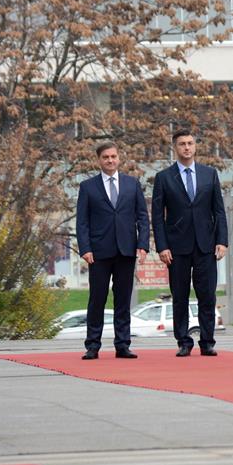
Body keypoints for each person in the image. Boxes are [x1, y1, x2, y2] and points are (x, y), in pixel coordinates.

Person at [152, 129, 228, 357]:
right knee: (180, 296)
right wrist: (162, 246)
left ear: (195, 147)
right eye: (182, 144)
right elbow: (157, 215)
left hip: (206, 245)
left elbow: (219, 211)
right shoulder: (164, 177)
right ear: (175, 148)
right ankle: (184, 341)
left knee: (207, 295)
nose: (187, 147)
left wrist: (222, 241)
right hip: (176, 248)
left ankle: (207, 342)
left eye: (190, 143)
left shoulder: (209, 174)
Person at [76, 142, 149, 360]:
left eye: (114, 156)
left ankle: (122, 344)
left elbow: (142, 217)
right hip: (98, 252)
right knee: (97, 299)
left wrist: (143, 245)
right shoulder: (88, 187)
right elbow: (82, 222)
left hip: (126, 251)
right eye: (106, 157)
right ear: (99, 160)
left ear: (119, 158)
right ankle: (92, 345)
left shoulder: (132, 184)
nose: (110, 160)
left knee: (123, 299)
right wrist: (85, 249)